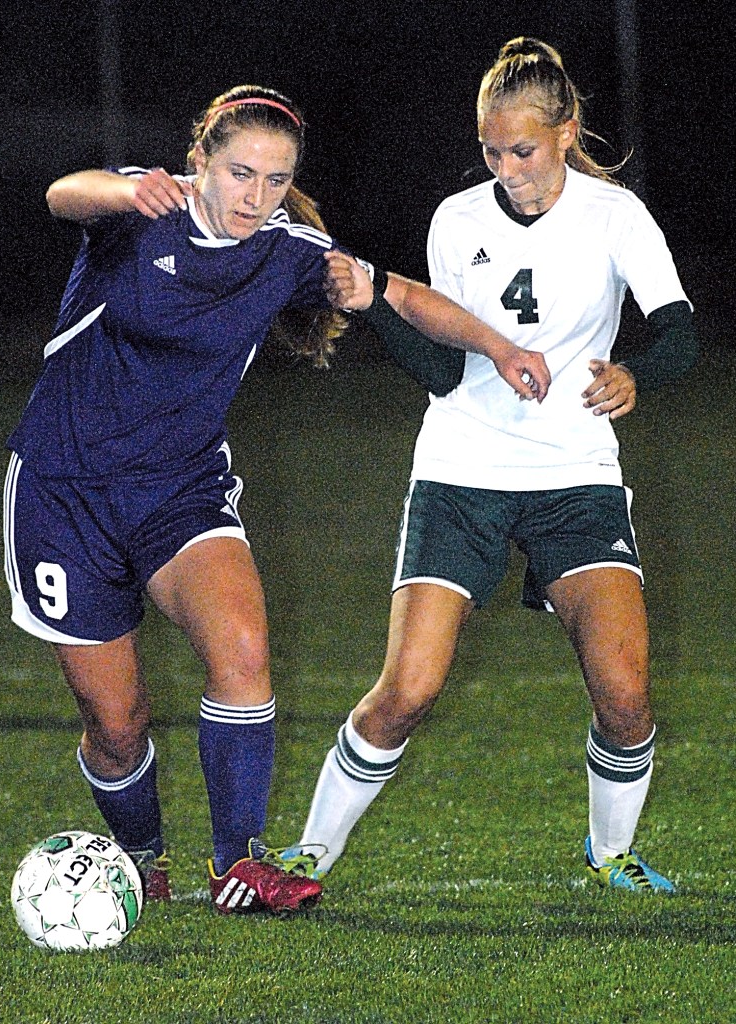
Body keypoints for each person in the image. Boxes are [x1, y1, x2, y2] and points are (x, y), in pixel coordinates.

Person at [3, 84, 551, 916]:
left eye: (274, 179)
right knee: (116, 725)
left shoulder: (287, 250)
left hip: (181, 489)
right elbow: (62, 194)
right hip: (63, 493)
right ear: (200, 161)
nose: (254, 196)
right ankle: (141, 858)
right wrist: (119, 190)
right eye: (238, 173)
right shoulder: (145, 210)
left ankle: (239, 862)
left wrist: (498, 346)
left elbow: (401, 295)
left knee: (243, 650)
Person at [289, 38, 698, 893]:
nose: (506, 170)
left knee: (625, 695)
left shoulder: (614, 215)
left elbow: (679, 334)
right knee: (406, 690)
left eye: (522, 150)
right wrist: (376, 307)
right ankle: (307, 856)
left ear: (565, 132)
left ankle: (610, 854)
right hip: (461, 469)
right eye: (490, 152)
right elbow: (444, 370)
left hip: (575, 474)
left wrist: (634, 373)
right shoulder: (457, 220)